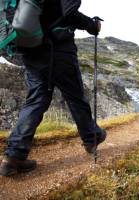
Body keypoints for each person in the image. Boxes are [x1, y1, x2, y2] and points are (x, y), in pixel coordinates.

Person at [0, 0, 106, 176]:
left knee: (36, 100)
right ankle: (91, 137)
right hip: (58, 49)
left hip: (31, 50)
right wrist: (91, 25)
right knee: (75, 96)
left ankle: (14, 156)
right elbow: (68, 12)